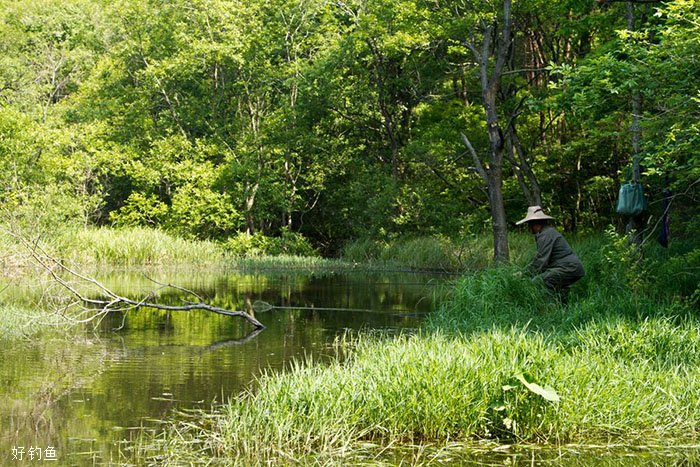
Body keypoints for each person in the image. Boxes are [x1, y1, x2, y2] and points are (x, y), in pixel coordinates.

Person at [516, 206, 585, 301]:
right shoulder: (547, 232)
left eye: (529, 224)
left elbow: (541, 261)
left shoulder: (546, 235)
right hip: (569, 267)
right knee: (553, 282)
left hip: (569, 268)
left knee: (538, 281)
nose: (528, 228)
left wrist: (524, 274)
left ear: (534, 224)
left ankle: (550, 309)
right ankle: (564, 306)